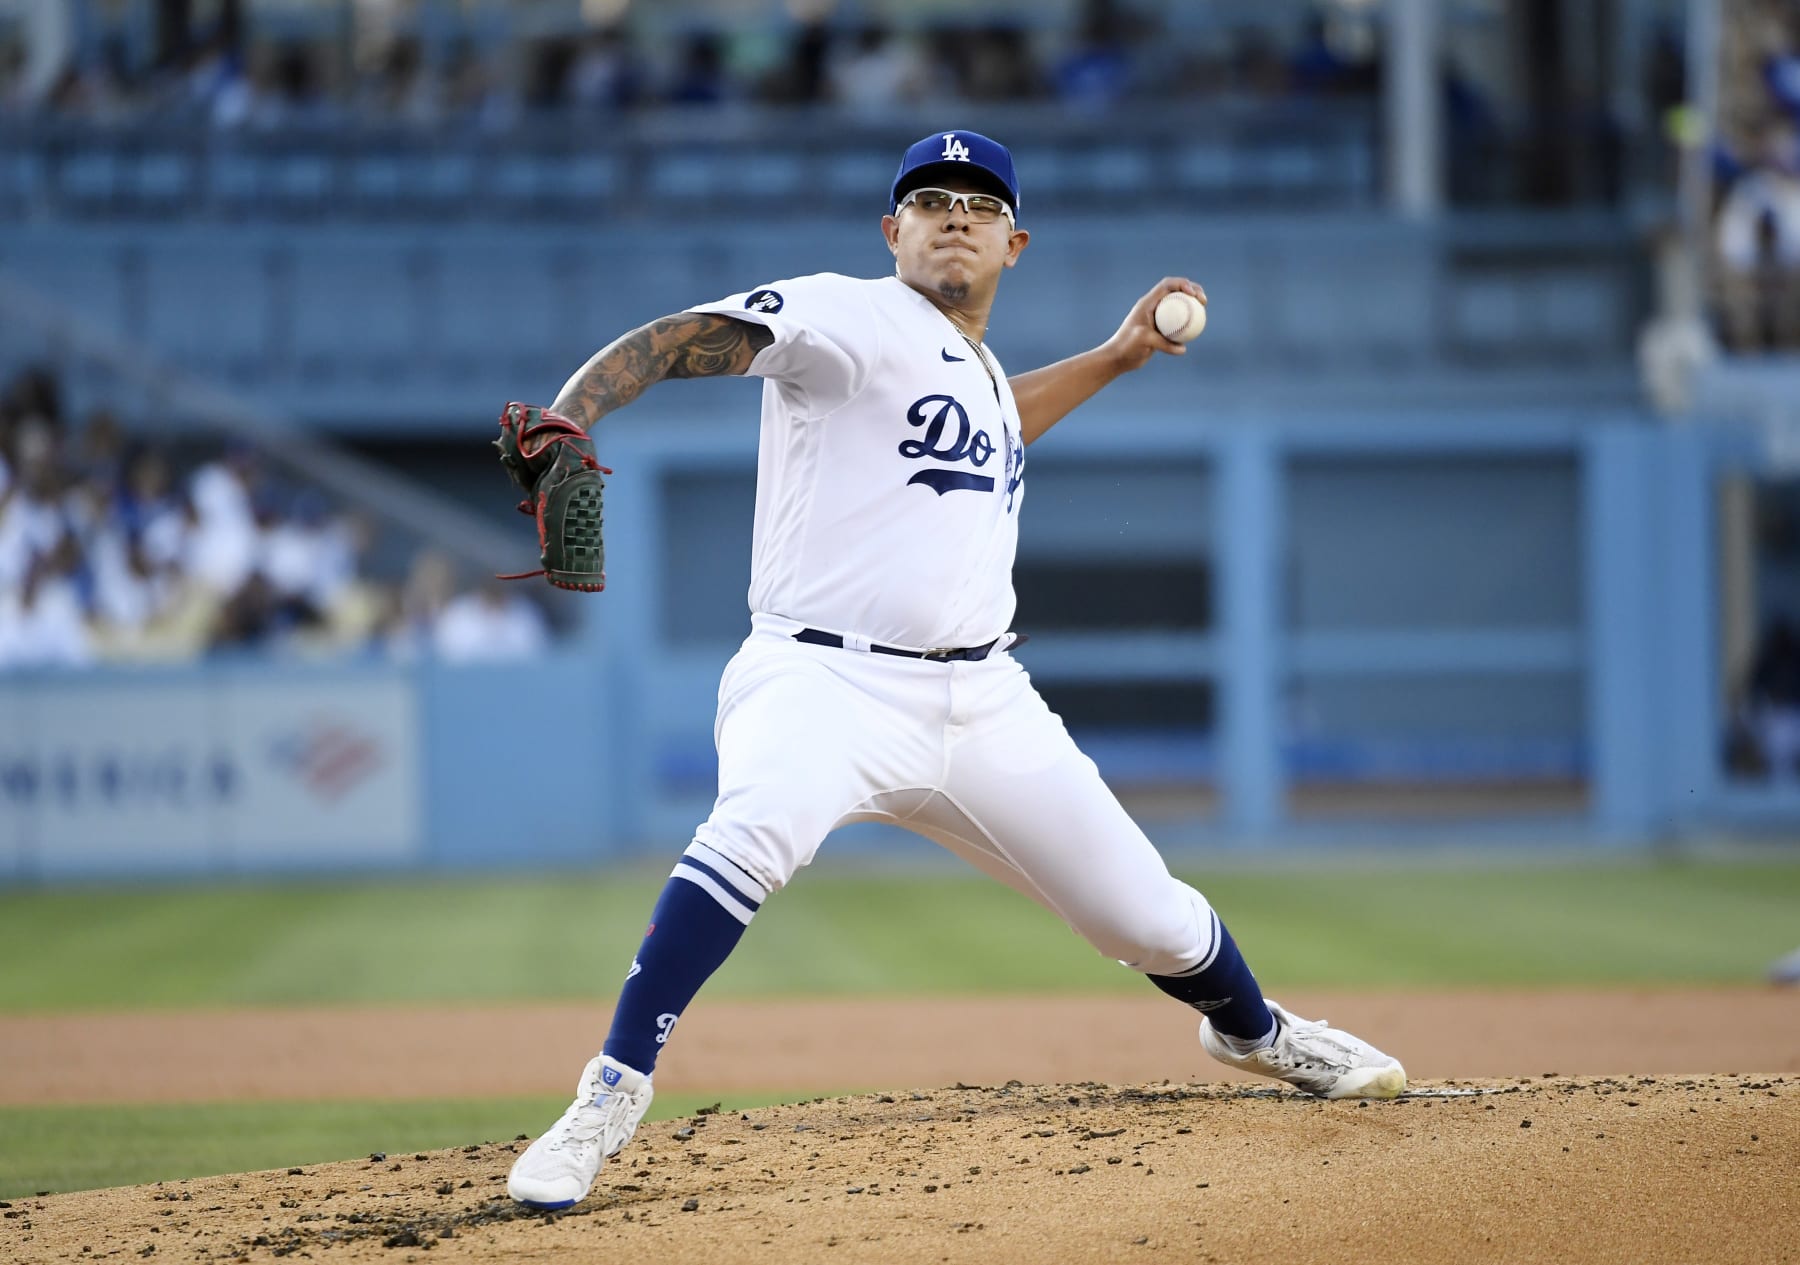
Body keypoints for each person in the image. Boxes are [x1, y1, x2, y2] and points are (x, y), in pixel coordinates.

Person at [505, 130, 1406, 1211]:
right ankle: (606, 1095)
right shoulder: (848, 316)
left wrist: (1115, 359)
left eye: (979, 205)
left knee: (1151, 919)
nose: (955, 214)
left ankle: (1258, 1031)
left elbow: (998, 422)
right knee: (750, 831)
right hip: (820, 681)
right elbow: (690, 336)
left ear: (1013, 243)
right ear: (894, 231)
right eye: (930, 200)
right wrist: (578, 408)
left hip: (983, 700)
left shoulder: (967, 365)